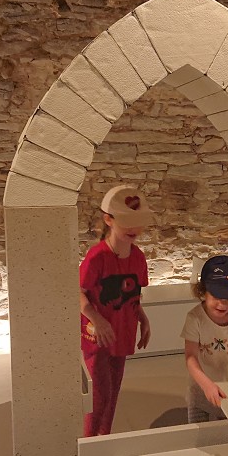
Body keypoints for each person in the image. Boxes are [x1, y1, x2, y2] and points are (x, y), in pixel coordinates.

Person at [80, 185, 153, 436]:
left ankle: (104, 438)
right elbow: (78, 292)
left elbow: (133, 295)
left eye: (138, 222)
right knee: (99, 394)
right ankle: (90, 442)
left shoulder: (138, 257)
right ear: (108, 220)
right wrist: (97, 319)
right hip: (98, 335)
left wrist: (143, 319)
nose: (134, 228)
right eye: (127, 222)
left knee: (113, 392)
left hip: (122, 331)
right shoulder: (97, 257)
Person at [180, 255, 228, 423]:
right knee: (201, 433)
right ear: (203, 292)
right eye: (216, 297)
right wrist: (206, 385)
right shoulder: (195, 318)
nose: (223, 304)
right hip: (200, 391)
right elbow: (190, 357)